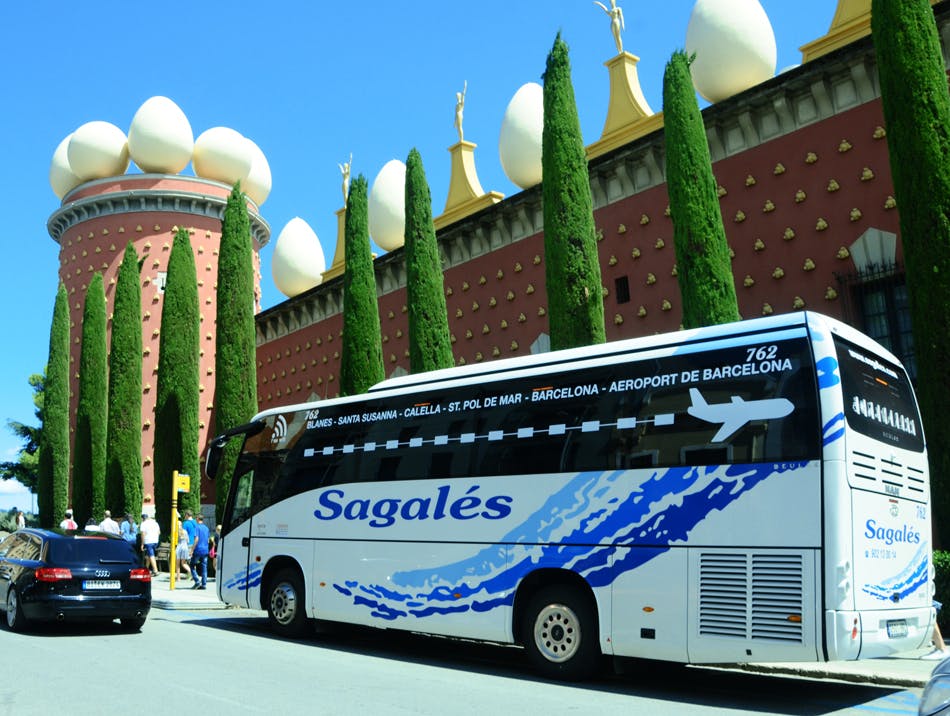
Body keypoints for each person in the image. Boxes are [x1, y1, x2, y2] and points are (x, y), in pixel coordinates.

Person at [191, 514, 211, 590]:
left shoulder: (197, 527)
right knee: (204, 567)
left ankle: (197, 581)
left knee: (192, 565)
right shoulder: (206, 528)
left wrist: (192, 549)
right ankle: (204, 584)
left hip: (198, 550)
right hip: (205, 550)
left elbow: (196, 539)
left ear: (197, 519)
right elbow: (208, 540)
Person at [140, 512, 161, 576]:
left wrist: (142, 544)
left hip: (148, 541)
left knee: (151, 555)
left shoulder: (143, 524)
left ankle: (155, 570)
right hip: (155, 541)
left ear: (143, 519)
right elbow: (159, 532)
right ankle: (146, 569)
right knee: (149, 555)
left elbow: (143, 534)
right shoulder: (155, 523)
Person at [175, 518, 192, 584]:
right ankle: (192, 572)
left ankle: (178, 578)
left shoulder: (176, 532)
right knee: (183, 563)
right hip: (185, 547)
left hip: (179, 547)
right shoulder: (185, 531)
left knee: (177, 564)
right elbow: (188, 541)